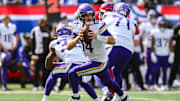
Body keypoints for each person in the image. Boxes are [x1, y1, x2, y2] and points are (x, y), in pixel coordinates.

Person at [67, 3, 132, 101]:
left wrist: (97, 36)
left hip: (100, 61)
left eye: (91, 15)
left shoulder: (98, 25)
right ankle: (124, 97)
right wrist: (77, 38)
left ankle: (75, 98)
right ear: (81, 16)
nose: (89, 17)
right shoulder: (77, 27)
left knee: (72, 73)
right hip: (91, 59)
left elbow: (112, 40)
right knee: (108, 81)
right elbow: (69, 46)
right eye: (86, 15)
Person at [41, 24, 99, 101]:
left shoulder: (54, 43)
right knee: (83, 81)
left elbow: (48, 65)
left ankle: (45, 99)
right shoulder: (76, 40)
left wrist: (51, 55)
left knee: (53, 73)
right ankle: (96, 99)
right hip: (85, 65)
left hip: (71, 65)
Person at [150, 16, 173, 91]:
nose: (162, 25)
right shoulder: (154, 32)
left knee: (165, 71)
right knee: (156, 70)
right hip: (157, 54)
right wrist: (152, 53)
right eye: (161, 24)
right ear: (158, 24)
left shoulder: (169, 32)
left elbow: (170, 44)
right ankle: (155, 84)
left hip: (166, 54)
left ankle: (164, 84)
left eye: (163, 24)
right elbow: (152, 44)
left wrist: (172, 54)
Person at [30, 18, 51, 90]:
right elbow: (32, 43)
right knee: (36, 70)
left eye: (43, 22)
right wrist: (32, 54)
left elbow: (49, 43)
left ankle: (43, 84)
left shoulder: (47, 31)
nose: (42, 24)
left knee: (45, 70)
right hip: (37, 53)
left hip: (45, 54)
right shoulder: (34, 30)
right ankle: (35, 85)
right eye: (41, 22)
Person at [140, 9, 158, 89]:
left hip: (157, 48)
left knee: (156, 67)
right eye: (151, 16)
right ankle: (146, 83)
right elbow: (140, 38)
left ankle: (154, 83)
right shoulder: (145, 25)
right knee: (148, 67)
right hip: (148, 48)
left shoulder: (158, 25)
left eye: (154, 16)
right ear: (148, 16)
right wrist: (142, 50)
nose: (153, 17)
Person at [0, 15, 19, 91]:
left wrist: (15, 44)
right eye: (5, 20)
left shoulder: (12, 26)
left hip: (10, 49)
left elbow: (16, 35)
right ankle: (3, 84)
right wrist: (3, 48)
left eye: (8, 19)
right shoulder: (1, 27)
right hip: (2, 50)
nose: (6, 21)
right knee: (5, 64)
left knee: (6, 66)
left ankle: (4, 84)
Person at [168, 23, 180, 89]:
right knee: (174, 68)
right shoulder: (176, 27)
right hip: (178, 51)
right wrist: (178, 35)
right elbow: (172, 38)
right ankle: (170, 83)